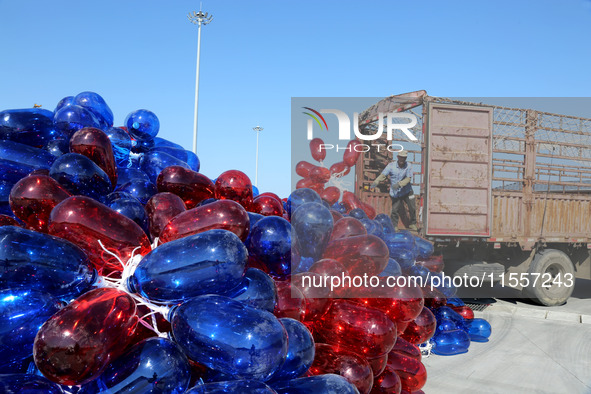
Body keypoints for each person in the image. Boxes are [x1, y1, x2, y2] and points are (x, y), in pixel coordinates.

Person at [370, 150, 417, 231]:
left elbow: (408, 179)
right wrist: (375, 182)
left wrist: (399, 184)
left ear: (405, 158)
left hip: (407, 190)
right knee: (395, 210)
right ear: (398, 157)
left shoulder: (408, 166)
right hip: (396, 192)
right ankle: (394, 226)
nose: (402, 159)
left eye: (404, 158)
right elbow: (383, 175)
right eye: (401, 157)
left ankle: (413, 224)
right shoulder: (391, 166)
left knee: (412, 207)